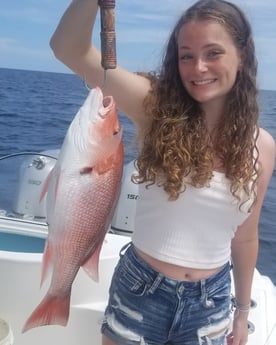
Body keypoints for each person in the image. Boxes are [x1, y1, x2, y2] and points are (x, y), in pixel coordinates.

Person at [50, 0, 275, 344]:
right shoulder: (154, 108)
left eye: (213, 53)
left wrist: (242, 312)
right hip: (142, 290)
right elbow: (68, 48)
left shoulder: (263, 146)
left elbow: (245, 237)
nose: (198, 67)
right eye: (186, 55)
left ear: (242, 55)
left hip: (211, 302)